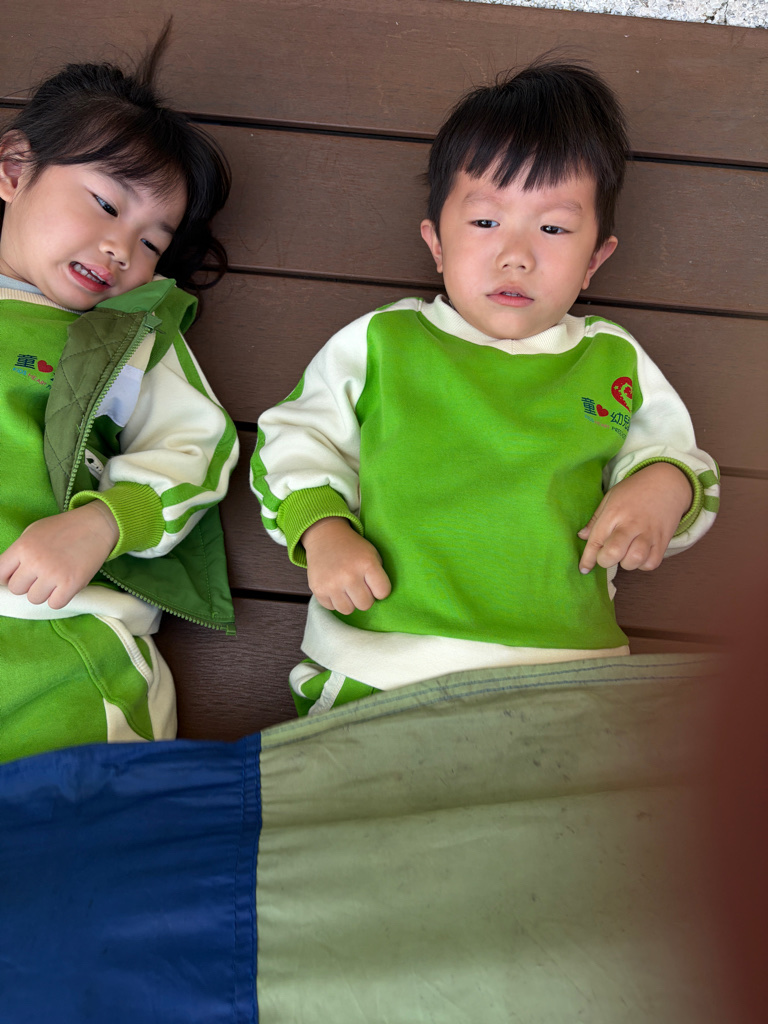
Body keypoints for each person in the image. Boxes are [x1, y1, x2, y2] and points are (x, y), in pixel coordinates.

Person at [251, 59, 719, 716]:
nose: (516, 255)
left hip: (567, 678)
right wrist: (323, 530)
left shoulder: (612, 358)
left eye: (553, 228)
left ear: (594, 259)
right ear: (436, 243)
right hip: (381, 663)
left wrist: (663, 487)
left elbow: (681, 462)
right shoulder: (384, 341)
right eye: (484, 222)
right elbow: (294, 438)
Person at [0, 25, 239, 760]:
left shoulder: (128, 339)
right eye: (107, 206)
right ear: (15, 168)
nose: (120, 249)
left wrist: (103, 522)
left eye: (152, 242)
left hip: (56, 641)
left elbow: (196, 447)